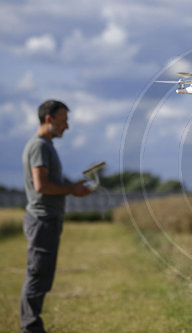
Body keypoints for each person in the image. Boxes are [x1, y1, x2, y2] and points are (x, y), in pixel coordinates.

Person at [20, 100, 92, 333]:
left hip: (46, 221)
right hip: (42, 221)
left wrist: (72, 186)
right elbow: (41, 186)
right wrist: (72, 190)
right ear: (49, 119)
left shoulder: (45, 146)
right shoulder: (40, 146)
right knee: (38, 276)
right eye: (64, 121)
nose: (67, 127)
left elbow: (48, 183)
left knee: (41, 276)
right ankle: (30, 328)